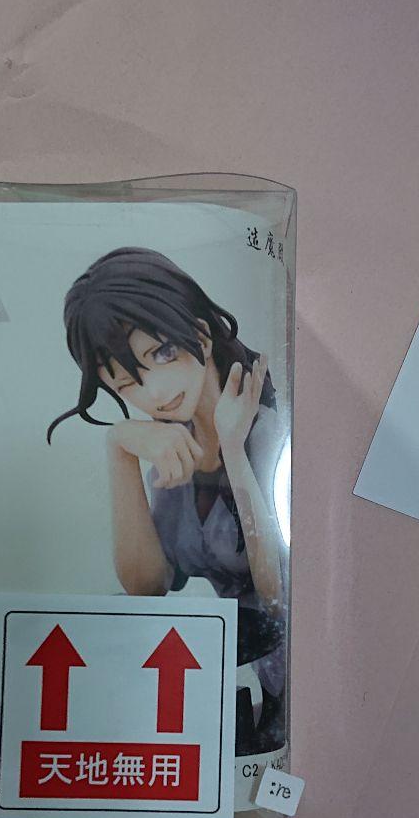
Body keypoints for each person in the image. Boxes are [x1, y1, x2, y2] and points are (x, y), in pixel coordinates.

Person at [48, 247, 287, 754]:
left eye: (161, 355)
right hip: (224, 675)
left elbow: (279, 594)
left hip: (287, 680)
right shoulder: (172, 452)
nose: (155, 393)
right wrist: (118, 450)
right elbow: (146, 587)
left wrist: (233, 451)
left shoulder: (270, 433)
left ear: (200, 333)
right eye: (127, 382)